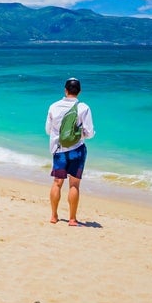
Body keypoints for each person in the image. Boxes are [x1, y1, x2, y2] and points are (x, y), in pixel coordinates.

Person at [45, 77, 95, 226]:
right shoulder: (84, 108)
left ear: (65, 90)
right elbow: (90, 133)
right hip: (77, 150)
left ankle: (54, 216)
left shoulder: (54, 106)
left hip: (59, 150)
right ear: (79, 91)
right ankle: (72, 219)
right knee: (74, 184)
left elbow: (48, 130)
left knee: (57, 182)